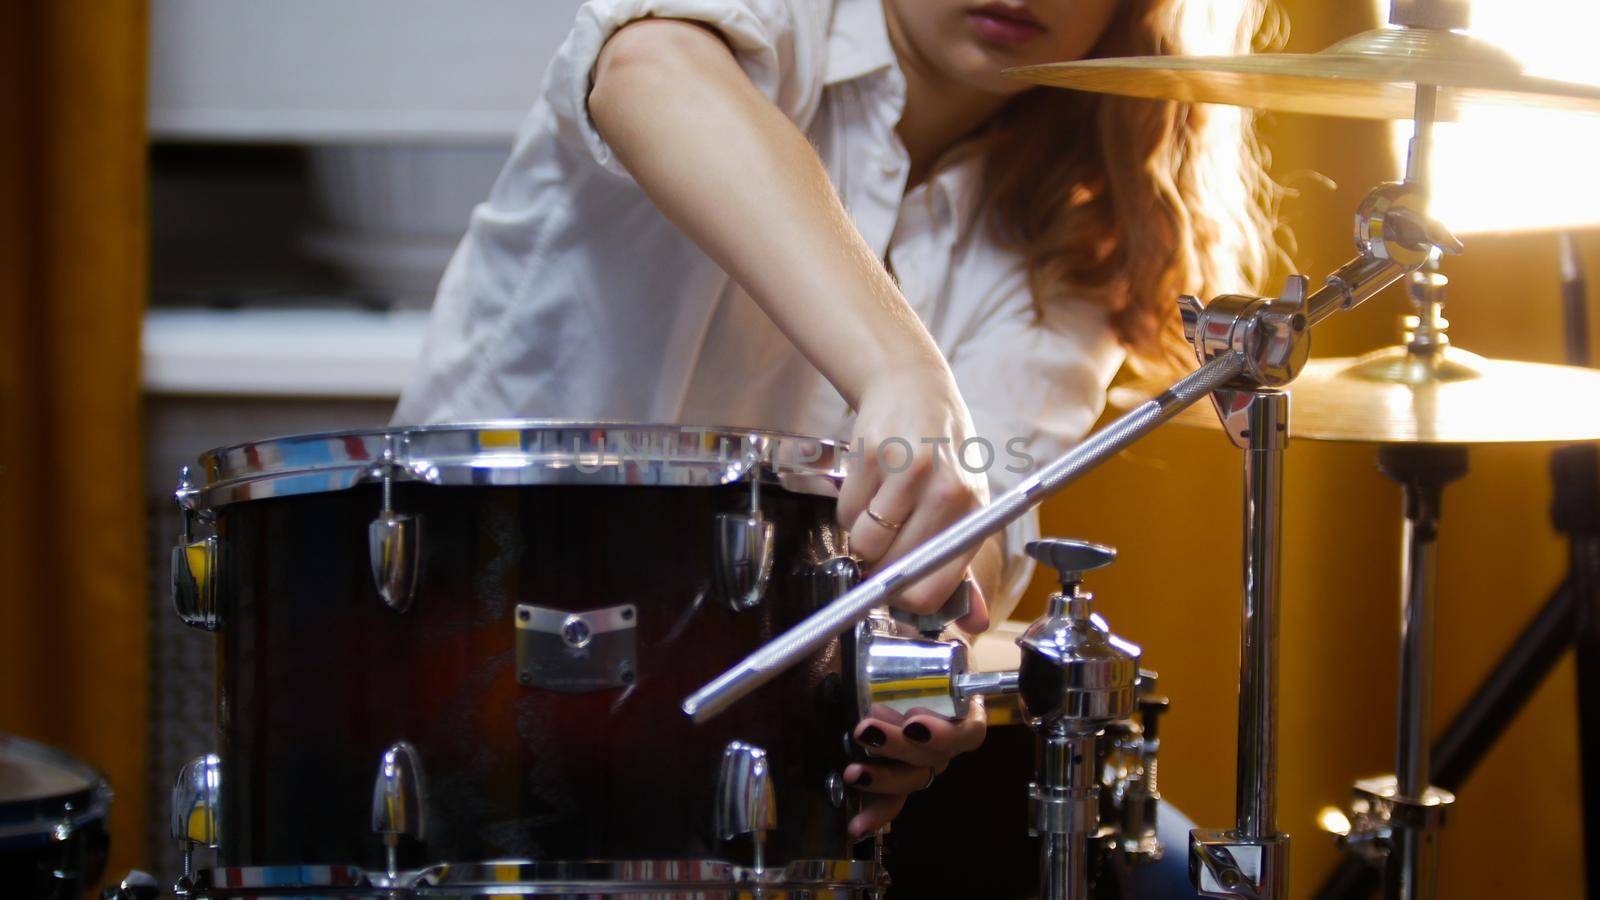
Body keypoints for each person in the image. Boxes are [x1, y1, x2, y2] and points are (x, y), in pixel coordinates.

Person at [395, 0, 1277, 838]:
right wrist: (900, 367)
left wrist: (923, 662)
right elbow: (648, 69)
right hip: (457, 652)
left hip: (741, 756)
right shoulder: (781, 23)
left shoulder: (1084, 223)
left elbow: (981, 524)